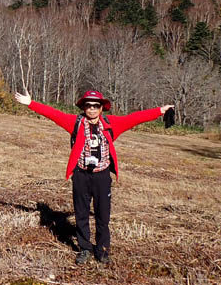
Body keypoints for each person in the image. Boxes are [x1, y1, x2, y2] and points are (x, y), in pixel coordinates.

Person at [13, 88, 173, 266]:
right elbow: (53, 114)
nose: (92, 109)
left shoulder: (111, 123)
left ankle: (102, 251)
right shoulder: (76, 122)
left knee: (102, 217)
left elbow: (135, 118)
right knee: (81, 215)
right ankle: (85, 249)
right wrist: (31, 104)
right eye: (88, 105)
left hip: (102, 177)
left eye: (95, 105)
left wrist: (160, 111)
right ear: (83, 107)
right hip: (81, 176)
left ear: (101, 108)